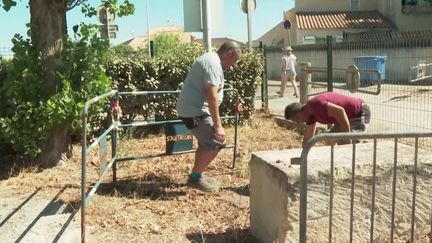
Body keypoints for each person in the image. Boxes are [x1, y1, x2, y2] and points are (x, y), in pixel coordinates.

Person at [176, 41, 241, 192]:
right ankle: (194, 178)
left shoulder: (211, 59)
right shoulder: (213, 64)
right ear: (229, 53)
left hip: (195, 110)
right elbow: (212, 97)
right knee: (215, 142)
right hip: (195, 111)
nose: (233, 64)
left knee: (206, 143)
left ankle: (197, 175)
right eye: (235, 60)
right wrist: (218, 126)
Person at [284, 92, 370, 147]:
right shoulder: (309, 116)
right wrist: (303, 155)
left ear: (298, 115)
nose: (298, 123)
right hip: (344, 118)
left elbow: (340, 111)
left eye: (296, 121)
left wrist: (346, 137)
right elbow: (308, 137)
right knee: (329, 140)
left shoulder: (316, 105)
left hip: (359, 112)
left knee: (351, 146)